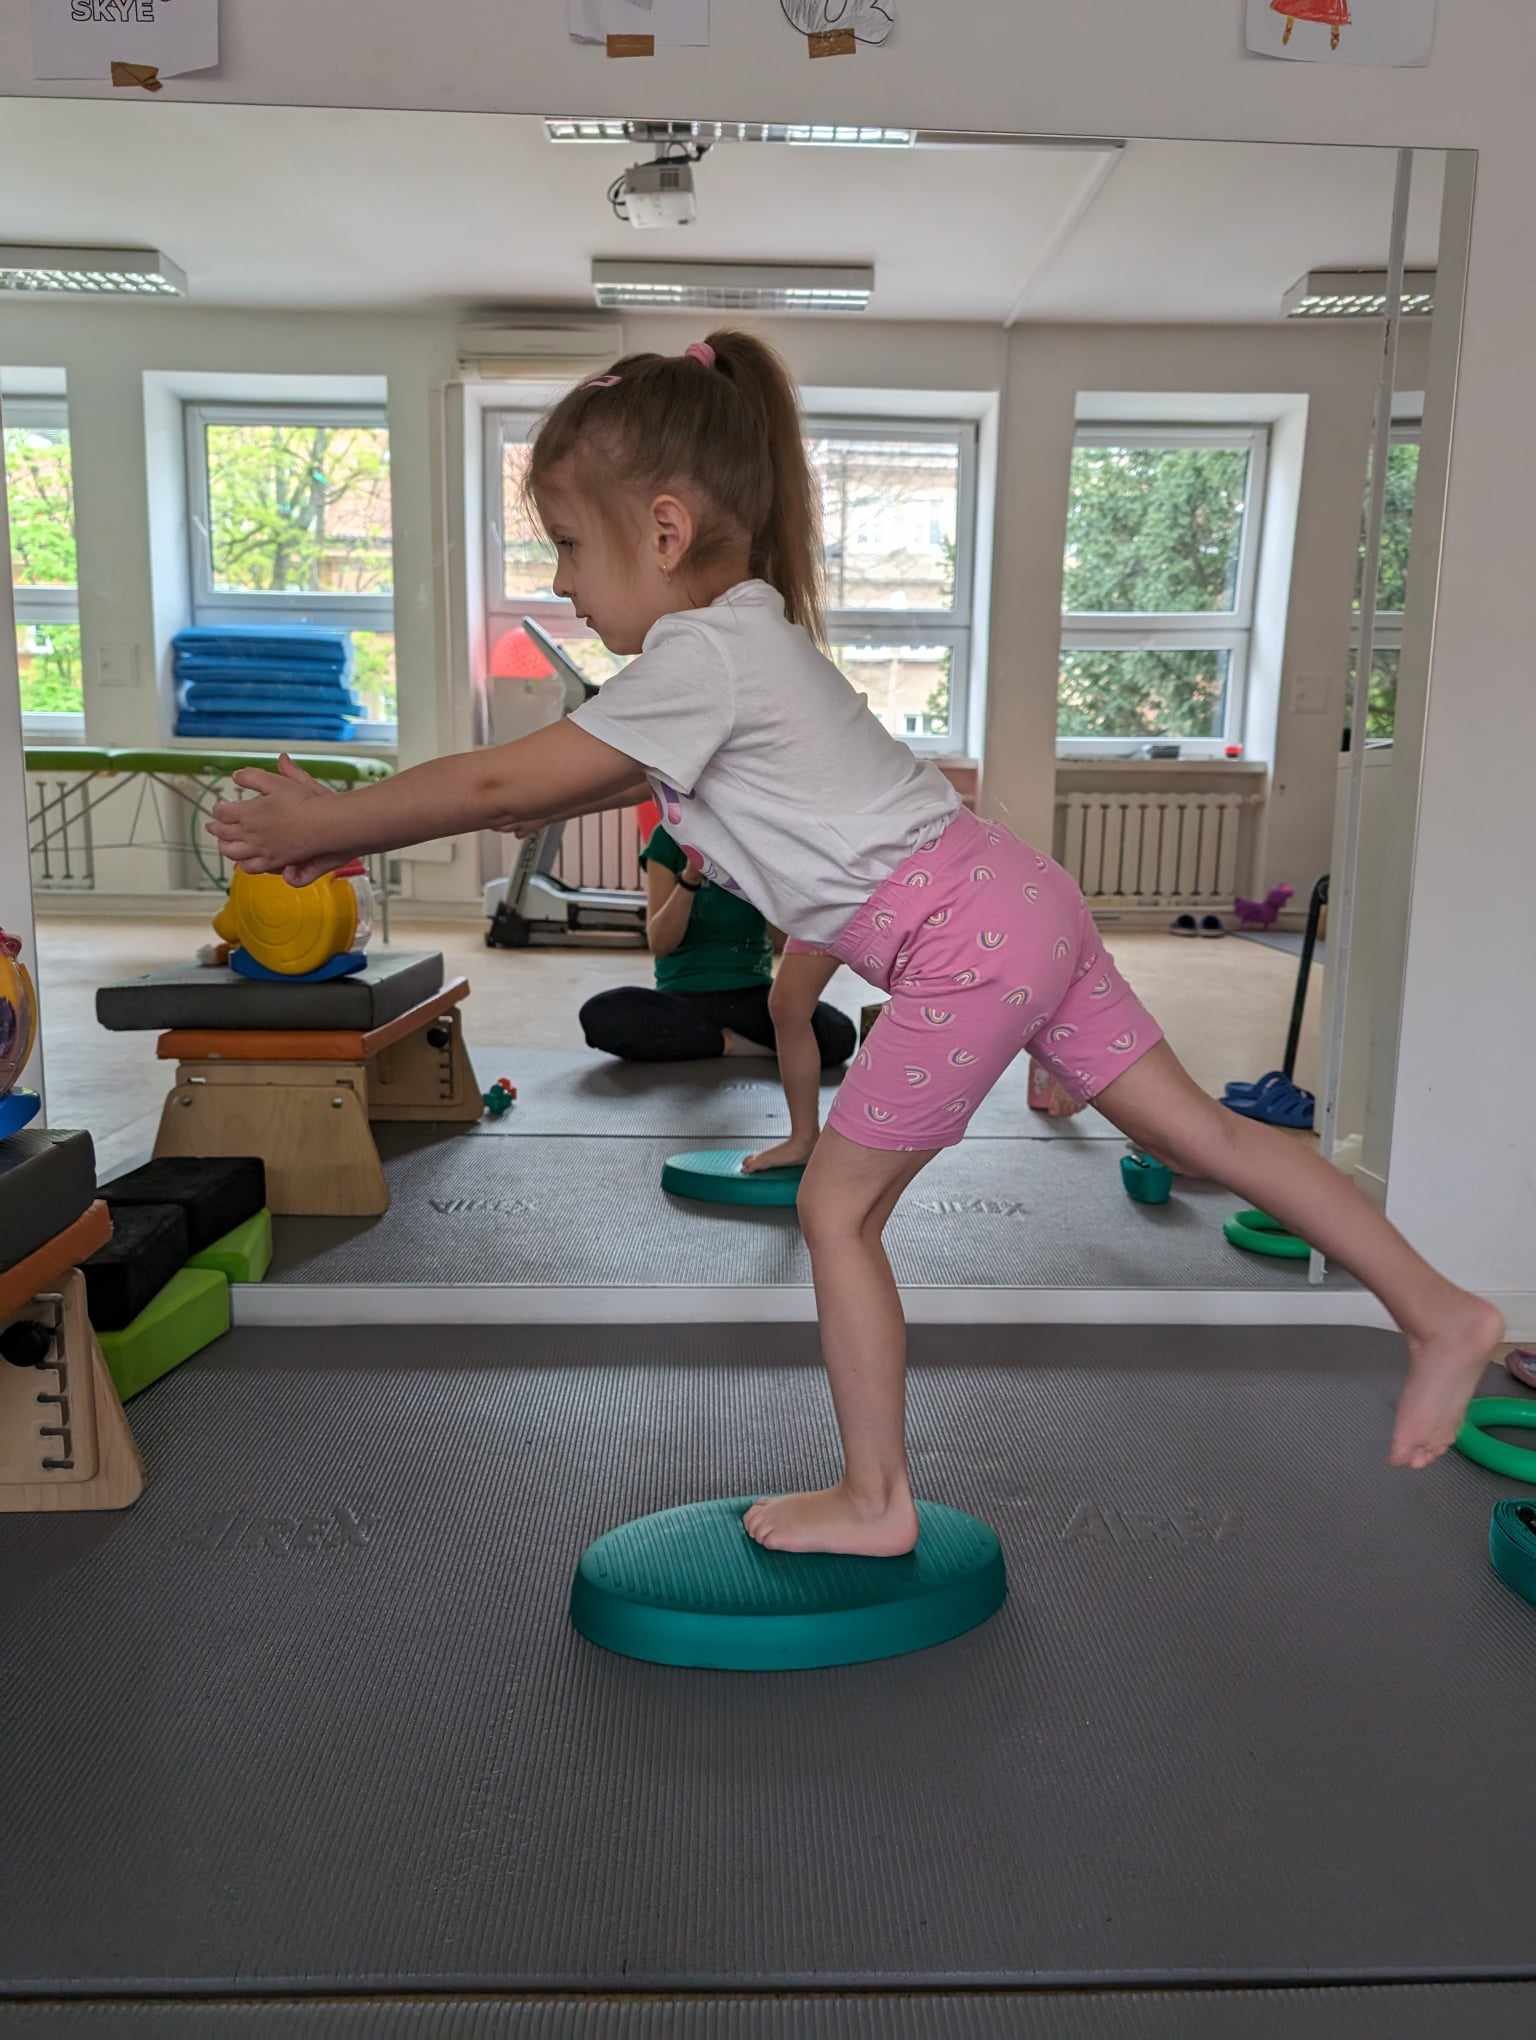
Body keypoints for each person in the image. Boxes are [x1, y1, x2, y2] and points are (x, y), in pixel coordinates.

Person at [209, 330, 1503, 1561]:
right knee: (1200, 1136)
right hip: (1014, 902)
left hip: (960, 942)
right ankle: (1439, 1308)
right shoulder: (740, 639)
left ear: (664, 528)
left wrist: (333, 818)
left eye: (564, 543)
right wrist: (343, 838)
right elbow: (537, 797)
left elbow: (503, 783)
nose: (557, 580)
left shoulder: (702, 657)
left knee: (836, 1208)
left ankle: (877, 1499)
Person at [575, 821, 855, 1071]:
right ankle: (734, 1045)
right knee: (601, 1015)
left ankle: (712, 1042)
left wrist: (765, 881)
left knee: (840, 1035)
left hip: (751, 994)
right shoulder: (668, 837)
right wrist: (691, 877)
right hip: (683, 999)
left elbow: (783, 940)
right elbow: (660, 943)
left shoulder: (757, 838)